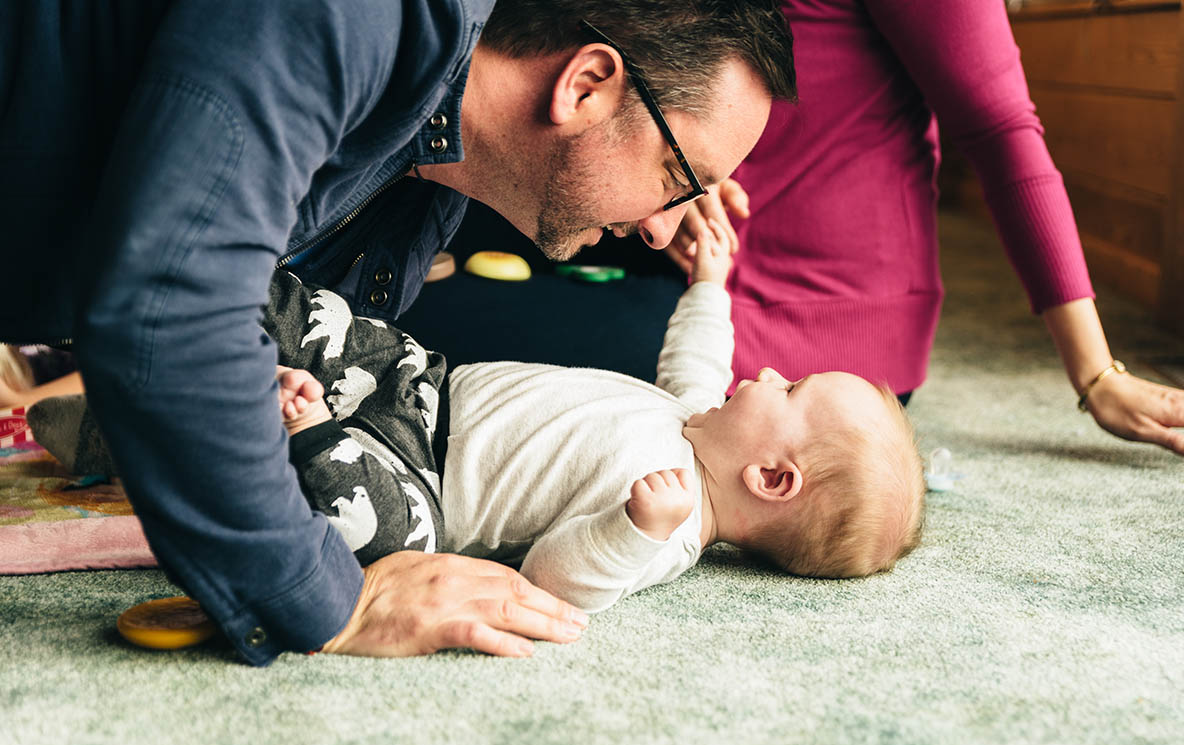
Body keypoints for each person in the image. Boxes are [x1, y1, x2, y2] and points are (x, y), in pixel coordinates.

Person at [0, 1, 798, 664]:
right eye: (676, 178)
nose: (666, 231)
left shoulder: (427, 191)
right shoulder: (352, 15)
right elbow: (170, 306)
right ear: (586, 84)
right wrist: (333, 600)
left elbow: (264, 348)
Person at [27, 225, 925, 618]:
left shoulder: (672, 523)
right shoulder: (698, 417)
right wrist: (709, 285)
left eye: (792, 387)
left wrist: (624, 530)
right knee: (328, 318)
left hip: (425, 482)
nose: (767, 372)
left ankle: (230, 432)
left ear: (772, 477)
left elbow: (554, 577)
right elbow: (696, 355)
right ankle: (152, 302)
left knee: (373, 523)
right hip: (430, 383)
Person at [661, 0, 1184, 458]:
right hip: (670, 239)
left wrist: (1097, 373)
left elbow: (1001, 132)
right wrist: (676, 176)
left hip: (802, 306)